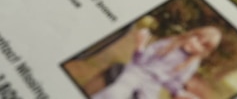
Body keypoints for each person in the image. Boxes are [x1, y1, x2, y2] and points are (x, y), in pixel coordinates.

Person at [91, 26, 222, 99]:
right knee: (116, 94)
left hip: (153, 85)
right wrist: (140, 45)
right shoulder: (170, 43)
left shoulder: (192, 64)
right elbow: (139, 61)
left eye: (203, 45)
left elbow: (173, 82)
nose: (195, 44)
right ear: (193, 34)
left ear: (204, 51)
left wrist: (180, 93)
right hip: (138, 72)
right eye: (198, 38)